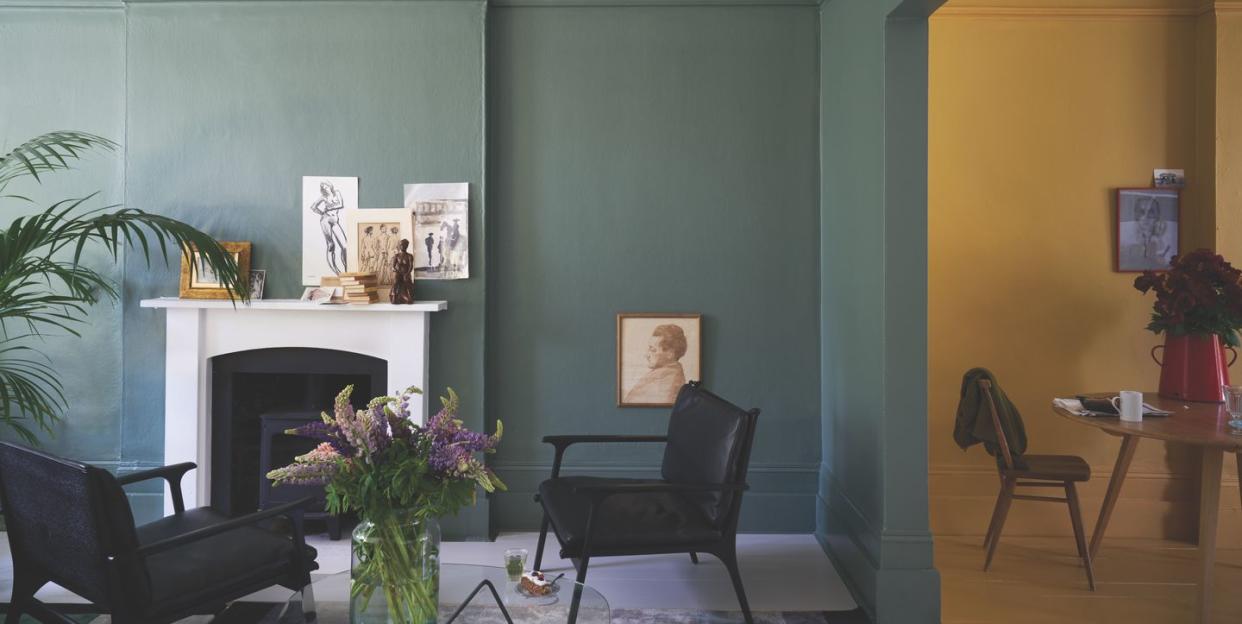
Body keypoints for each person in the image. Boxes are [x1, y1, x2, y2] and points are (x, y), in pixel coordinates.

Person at [624, 324, 689, 404]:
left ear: (670, 353)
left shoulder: (666, 382)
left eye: (653, 350)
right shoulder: (664, 376)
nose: (646, 355)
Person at [309, 181, 348, 274]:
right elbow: (313, 207)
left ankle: (347, 270)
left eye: (325, 186)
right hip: (325, 220)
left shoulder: (337, 193)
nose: (324, 188)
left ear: (330, 186)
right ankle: (337, 272)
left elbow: (341, 205)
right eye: (322, 187)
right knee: (331, 245)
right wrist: (322, 213)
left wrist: (328, 208)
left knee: (345, 246)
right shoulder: (323, 197)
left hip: (335, 220)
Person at [390, 239, 416, 304]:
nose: (403, 246)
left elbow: (411, 266)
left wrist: (407, 273)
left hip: (406, 273)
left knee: (407, 280)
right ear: (399, 246)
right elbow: (393, 266)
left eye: (405, 245)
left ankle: (409, 296)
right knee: (396, 280)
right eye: (401, 245)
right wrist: (396, 271)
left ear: (407, 246)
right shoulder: (397, 256)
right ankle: (394, 295)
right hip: (398, 272)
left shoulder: (409, 256)